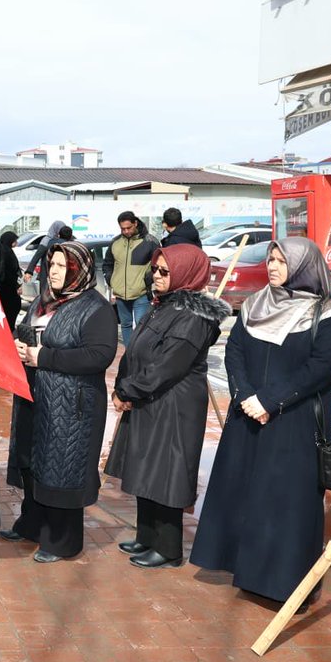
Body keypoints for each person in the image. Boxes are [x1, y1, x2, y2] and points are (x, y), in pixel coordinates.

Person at [190, 238, 331, 608]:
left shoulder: (329, 312)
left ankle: (283, 583)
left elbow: (320, 368)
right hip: (249, 416)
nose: (273, 267)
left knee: (285, 501)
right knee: (247, 495)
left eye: (281, 261)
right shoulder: (257, 303)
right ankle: (248, 572)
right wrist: (245, 395)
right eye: (271, 260)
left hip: (294, 421)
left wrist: (269, 401)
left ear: (303, 266)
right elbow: (235, 350)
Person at [104, 244, 229, 569]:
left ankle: (168, 547)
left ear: (184, 274)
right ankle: (147, 535)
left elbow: (167, 365)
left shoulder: (193, 316)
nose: (156, 277)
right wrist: (123, 385)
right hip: (150, 398)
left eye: (164, 272)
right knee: (145, 466)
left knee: (167, 471)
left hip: (174, 403)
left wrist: (128, 390)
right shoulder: (164, 305)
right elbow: (137, 351)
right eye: (154, 271)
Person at [1, 242, 118, 562]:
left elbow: (98, 356)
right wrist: (18, 344)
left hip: (72, 404)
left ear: (78, 271)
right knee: (32, 460)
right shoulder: (44, 300)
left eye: (61, 266)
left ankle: (62, 541)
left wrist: (44, 357)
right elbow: (30, 333)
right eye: (51, 264)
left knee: (62, 468)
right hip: (35, 393)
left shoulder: (96, 308)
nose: (52, 271)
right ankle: (32, 525)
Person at [102, 211, 160, 346]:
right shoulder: (115, 243)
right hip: (121, 294)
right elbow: (108, 264)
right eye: (123, 229)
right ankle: (129, 354)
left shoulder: (149, 241)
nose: (126, 231)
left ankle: (139, 352)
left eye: (129, 228)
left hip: (141, 294)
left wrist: (148, 281)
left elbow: (159, 264)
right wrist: (112, 281)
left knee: (141, 326)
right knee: (125, 325)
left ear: (135, 223)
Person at [23, 220, 66, 285]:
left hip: (56, 275)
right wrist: (29, 271)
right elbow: (37, 256)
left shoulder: (49, 241)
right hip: (47, 274)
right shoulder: (47, 241)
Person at [0, 231, 23, 331]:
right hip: (7, 287)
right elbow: (11, 270)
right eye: (14, 240)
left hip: (6, 287)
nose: (16, 243)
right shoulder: (6, 252)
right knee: (11, 309)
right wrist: (16, 285)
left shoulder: (3, 250)